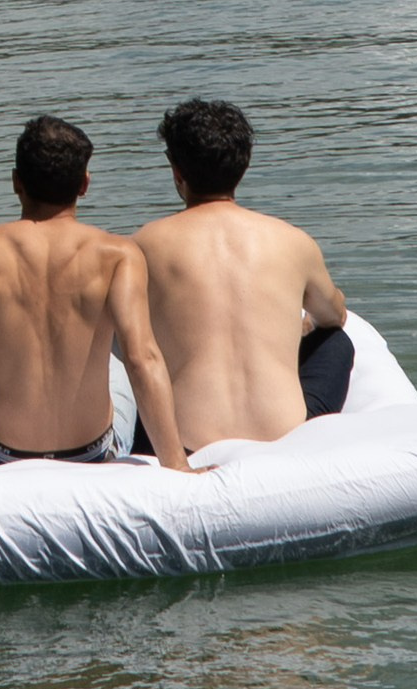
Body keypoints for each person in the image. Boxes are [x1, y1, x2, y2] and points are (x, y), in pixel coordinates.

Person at [0, 114, 192, 486]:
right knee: (120, 365)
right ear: (84, 185)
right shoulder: (119, 255)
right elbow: (143, 357)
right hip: (92, 453)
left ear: (16, 182)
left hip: (0, 455)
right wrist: (178, 466)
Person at [132, 96, 350, 458]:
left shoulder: (142, 246)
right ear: (243, 167)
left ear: (177, 172)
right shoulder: (292, 241)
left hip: (188, 443)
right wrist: (300, 326)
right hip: (286, 434)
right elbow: (335, 316)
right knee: (337, 341)